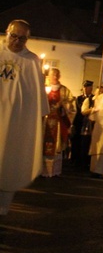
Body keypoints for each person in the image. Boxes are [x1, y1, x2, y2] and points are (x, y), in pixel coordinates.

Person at [0, 19, 48, 216]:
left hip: (16, 121)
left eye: (22, 38)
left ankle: (2, 207)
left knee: (11, 159)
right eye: (14, 36)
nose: (17, 41)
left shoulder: (32, 61)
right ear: (6, 33)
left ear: (27, 39)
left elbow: (37, 96)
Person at [41, 67, 76, 177]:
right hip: (45, 122)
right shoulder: (44, 89)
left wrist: (62, 106)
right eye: (53, 74)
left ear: (59, 76)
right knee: (43, 145)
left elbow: (72, 108)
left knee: (56, 147)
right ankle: (41, 171)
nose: (55, 76)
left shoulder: (65, 91)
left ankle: (54, 171)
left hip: (58, 122)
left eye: (57, 74)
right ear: (49, 76)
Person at [72, 80, 95, 168]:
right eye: (85, 87)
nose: (86, 89)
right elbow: (78, 110)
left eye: (88, 87)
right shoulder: (79, 98)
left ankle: (85, 161)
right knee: (77, 142)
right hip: (79, 123)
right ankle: (76, 160)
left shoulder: (93, 98)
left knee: (86, 143)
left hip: (89, 123)